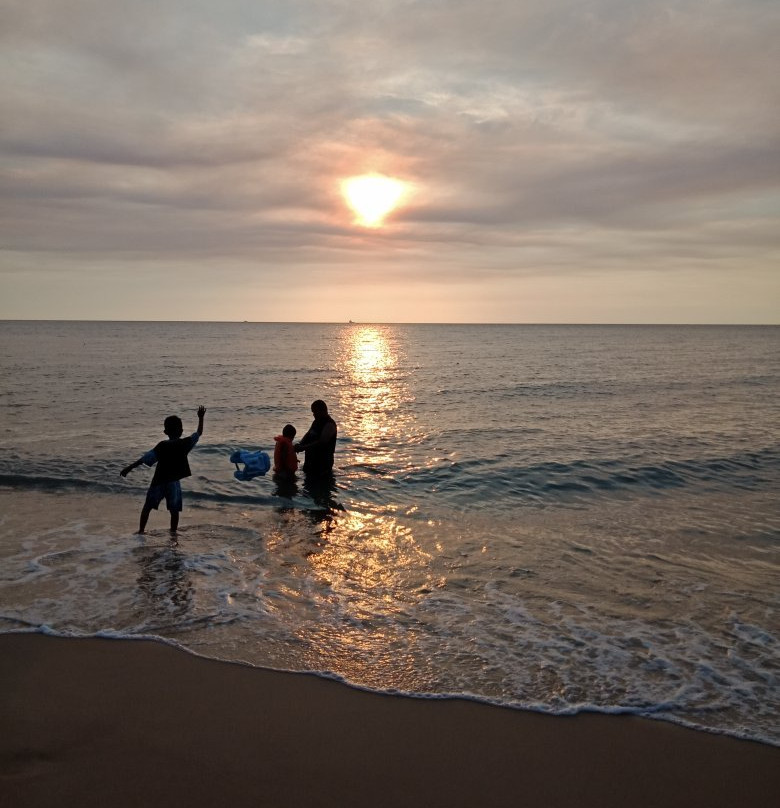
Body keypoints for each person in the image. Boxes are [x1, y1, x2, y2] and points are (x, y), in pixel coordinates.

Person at [121, 405, 206, 534]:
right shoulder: (184, 444)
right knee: (174, 510)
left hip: (158, 481)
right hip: (173, 483)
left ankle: (141, 531)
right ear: (181, 430)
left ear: (165, 432)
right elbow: (198, 433)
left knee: (147, 507)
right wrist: (201, 418)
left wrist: (129, 468)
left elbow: (145, 458)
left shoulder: (162, 446)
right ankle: (173, 533)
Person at [295, 400, 337, 476]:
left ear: (322, 410)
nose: (313, 414)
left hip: (322, 465)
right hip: (310, 462)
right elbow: (308, 434)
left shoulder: (329, 424)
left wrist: (303, 447)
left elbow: (322, 442)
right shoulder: (316, 422)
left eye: (315, 412)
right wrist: (300, 444)